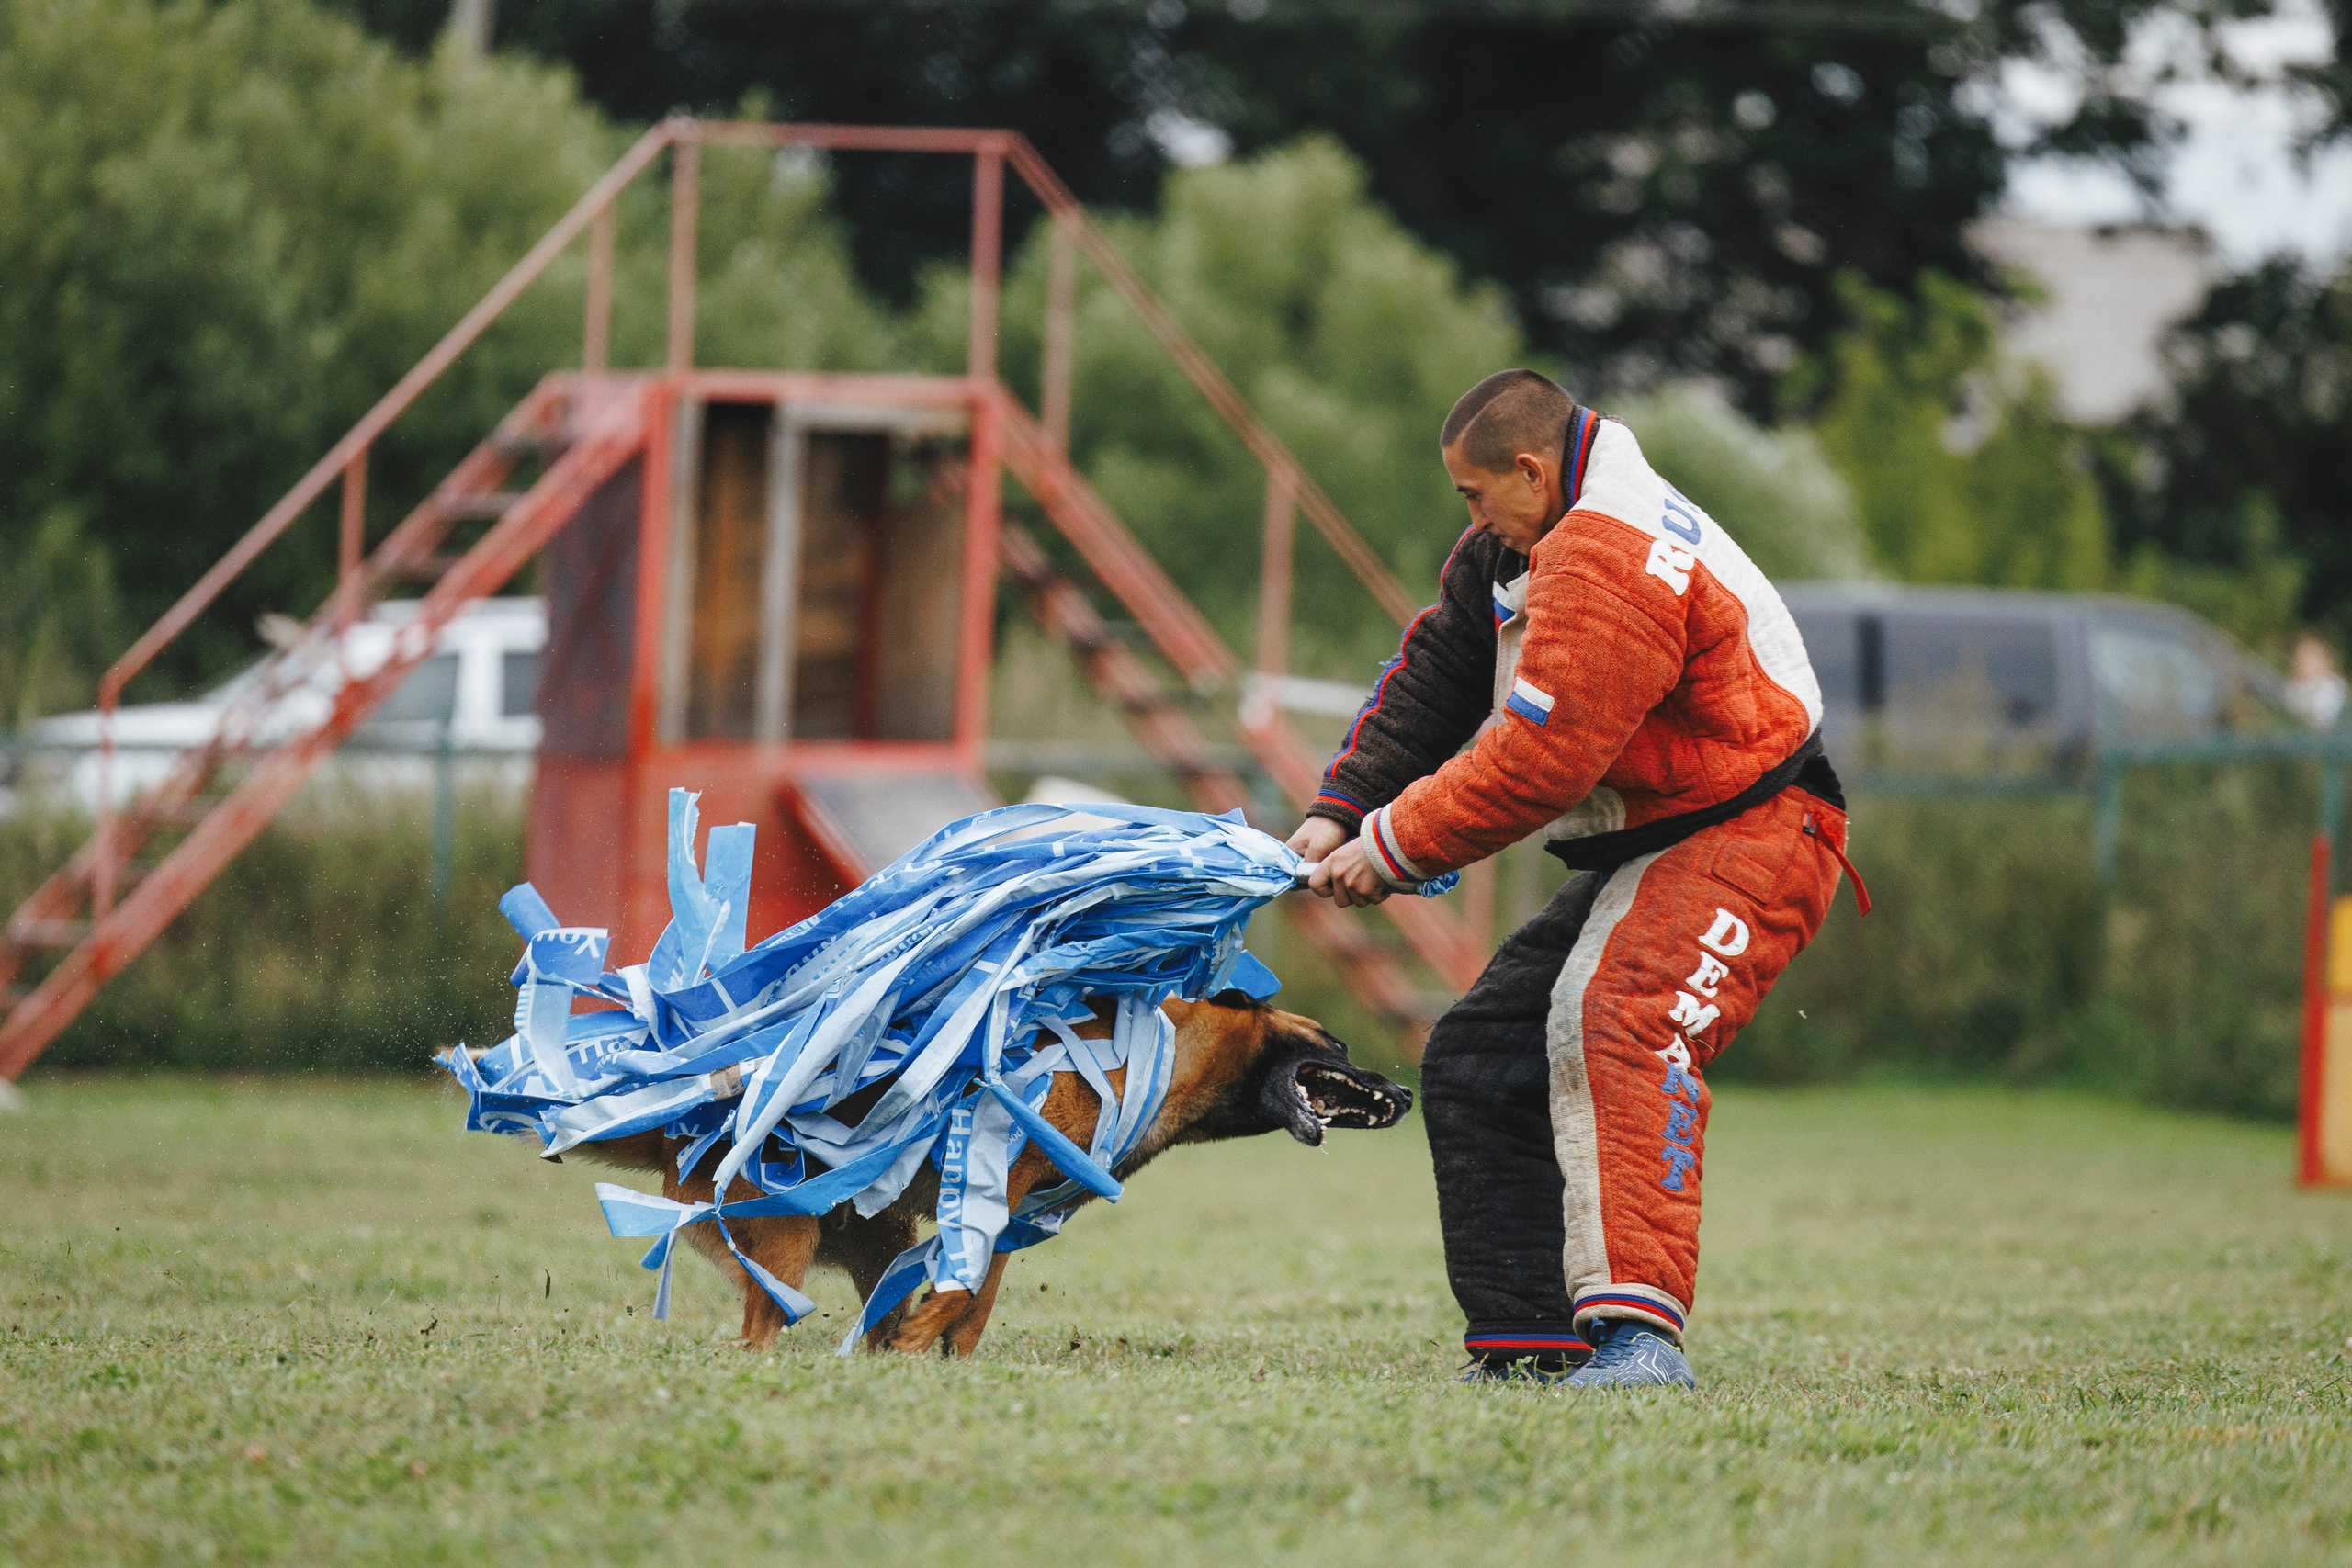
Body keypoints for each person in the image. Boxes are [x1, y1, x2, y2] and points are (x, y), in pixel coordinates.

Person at [1288, 369, 1860, 1388]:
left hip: (1756, 831)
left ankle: (1641, 1343)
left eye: (1474, 494)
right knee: (1476, 1056)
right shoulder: (1523, 541)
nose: (1468, 518)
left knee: (1620, 1021)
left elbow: (1538, 765)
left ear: (1529, 468)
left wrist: (1387, 850)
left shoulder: (1608, 555)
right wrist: (1333, 811)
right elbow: (1434, 677)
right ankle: (1527, 1345)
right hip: (1665, 836)